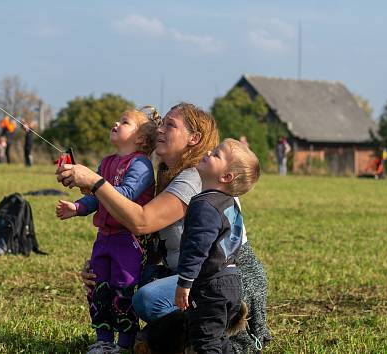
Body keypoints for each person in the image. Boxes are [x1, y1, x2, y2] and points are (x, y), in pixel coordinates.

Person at [57, 102, 271, 352]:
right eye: (162, 124)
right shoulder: (166, 175)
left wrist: (96, 182)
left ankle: (209, 334)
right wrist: (102, 266)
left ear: (194, 138)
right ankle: (178, 336)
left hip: (225, 281)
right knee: (123, 278)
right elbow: (150, 242)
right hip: (191, 272)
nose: (160, 130)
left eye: (170, 125)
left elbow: (141, 221)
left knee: (146, 299)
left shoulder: (194, 178)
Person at [56, 107, 159, 353]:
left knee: (123, 288)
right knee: (98, 287)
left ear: (141, 139)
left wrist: (94, 182)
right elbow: (97, 197)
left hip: (128, 240)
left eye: (124, 122)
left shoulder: (141, 165)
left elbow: (123, 195)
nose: (116, 122)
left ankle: (124, 343)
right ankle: (103, 340)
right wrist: (78, 207)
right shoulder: (107, 162)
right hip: (104, 237)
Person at [175, 138, 260, 353]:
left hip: (209, 286)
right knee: (219, 338)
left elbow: (197, 246)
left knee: (206, 341)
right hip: (232, 281)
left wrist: (185, 282)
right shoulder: (229, 204)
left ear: (226, 177)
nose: (209, 151)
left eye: (217, 155)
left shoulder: (204, 205)